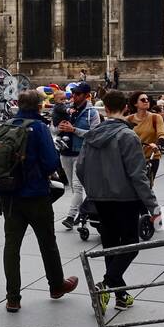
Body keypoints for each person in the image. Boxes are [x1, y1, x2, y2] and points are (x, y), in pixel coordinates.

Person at [0, 91, 79, 313]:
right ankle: (56, 285)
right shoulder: (39, 127)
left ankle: (13, 298)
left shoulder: (7, 125)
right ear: (39, 106)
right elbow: (51, 162)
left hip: (10, 197)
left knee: (11, 247)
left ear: (19, 105)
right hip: (36, 195)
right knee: (47, 242)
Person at [77, 89, 161, 310]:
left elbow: (80, 168)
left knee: (111, 246)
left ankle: (121, 296)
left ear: (105, 109)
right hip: (125, 199)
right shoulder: (128, 136)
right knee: (131, 246)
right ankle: (105, 285)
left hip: (101, 199)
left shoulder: (92, 136)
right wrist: (152, 205)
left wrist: (93, 190)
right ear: (126, 108)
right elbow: (138, 175)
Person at [58, 81, 99, 228]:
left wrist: (74, 130)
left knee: (77, 185)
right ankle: (82, 213)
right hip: (65, 152)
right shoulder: (67, 110)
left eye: (78, 94)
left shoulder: (92, 113)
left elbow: (95, 134)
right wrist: (58, 128)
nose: (74, 96)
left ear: (87, 96)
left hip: (81, 153)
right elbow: (54, 128)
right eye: (73, 93)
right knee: (74, 187)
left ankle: (70, 216)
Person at [130, 92, 164, 185]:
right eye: (143, 100)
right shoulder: (128, 119)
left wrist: (157, 145)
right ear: (135, 104)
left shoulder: (156, 117)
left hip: (151, 157)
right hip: (133, 158)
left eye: (147, 99)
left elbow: (161, 134)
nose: (146, 101)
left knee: (146, 186)